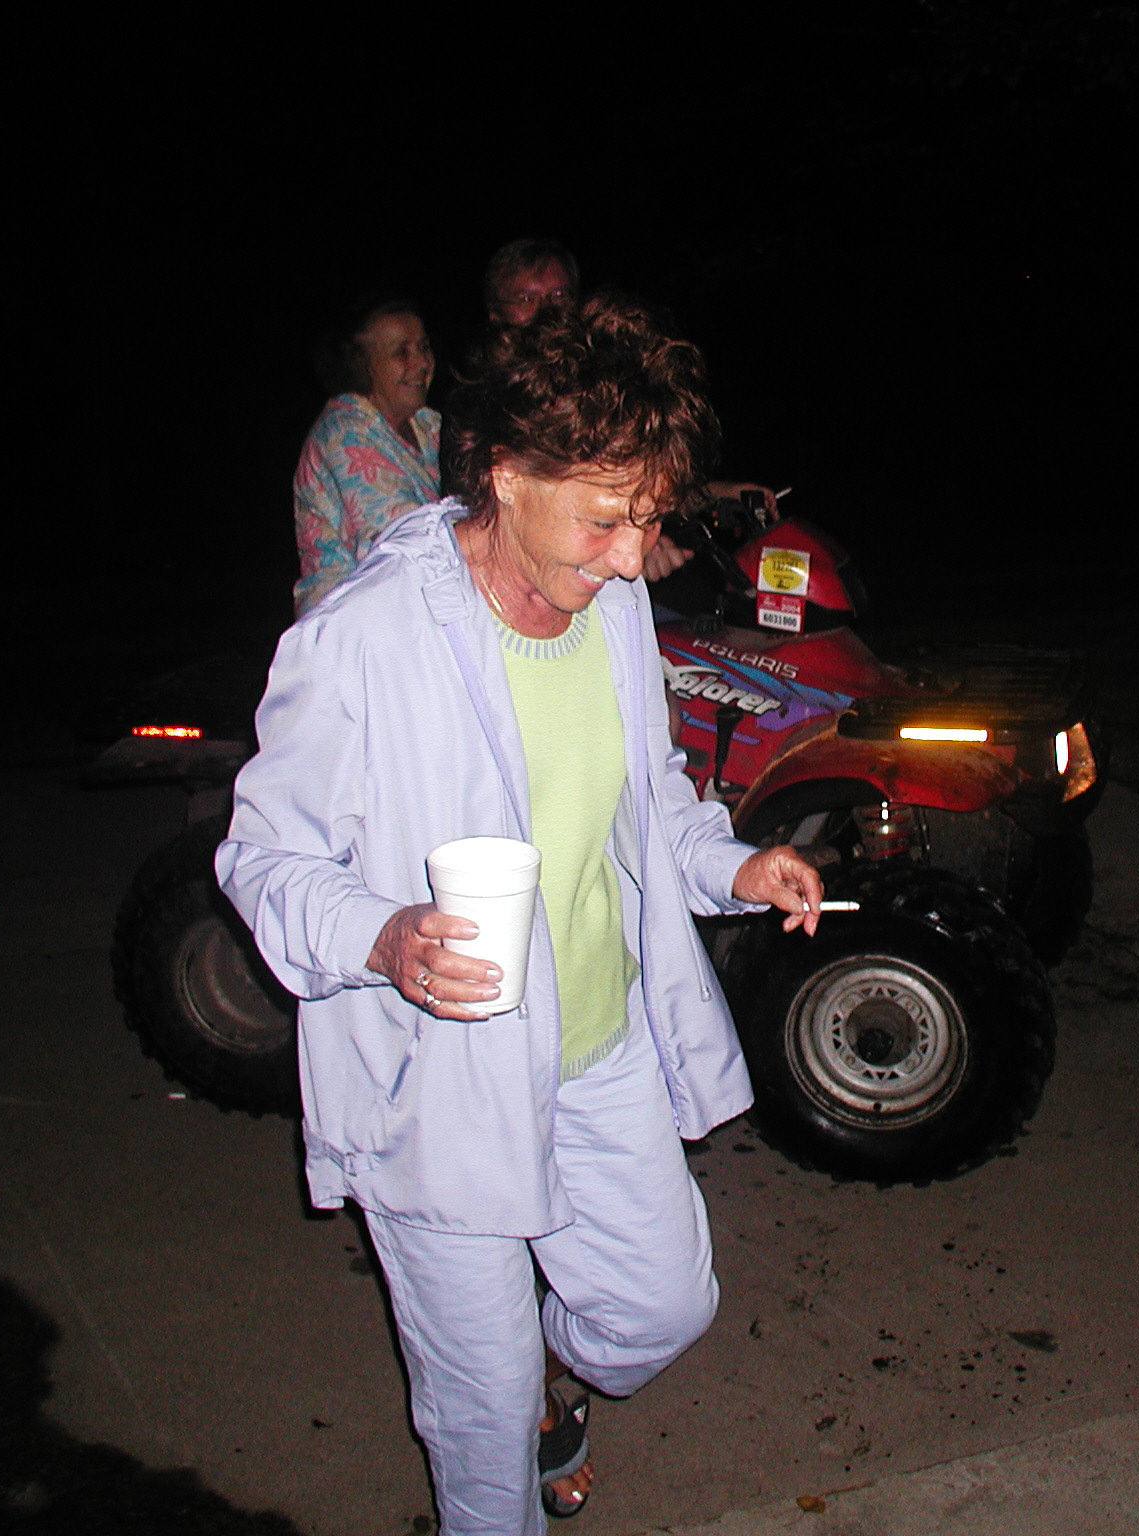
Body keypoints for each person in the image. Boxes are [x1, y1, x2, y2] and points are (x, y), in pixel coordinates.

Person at [219, 292, 825, 1533]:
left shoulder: (609, 607)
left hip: (595, 1049)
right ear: (501, 471)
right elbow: (261, 855)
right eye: (606, 519)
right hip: (440, 1078)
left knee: (659, 1309)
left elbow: (645, 800)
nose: (626, 557)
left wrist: (732, 866)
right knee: (480, 1420)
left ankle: (546, 1376)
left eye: (647, 520)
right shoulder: (365, 642)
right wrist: (379, 938)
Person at [481, 236, 774, 581]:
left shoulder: (597, 387)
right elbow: (492, 523)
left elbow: (632, 486)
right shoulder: (484, 406)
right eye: (527, 298)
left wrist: (720, 493)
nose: (547, 310)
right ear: (496, 315)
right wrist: (625, 545)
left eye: (558, 296)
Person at [292, 295, 442, 614]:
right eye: (401, 352)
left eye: (424, 347)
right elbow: (403, 537)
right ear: (362, 365)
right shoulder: (343, 432)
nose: (422, 363)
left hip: (409, 611)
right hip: (350, 625)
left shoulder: (427, 425)